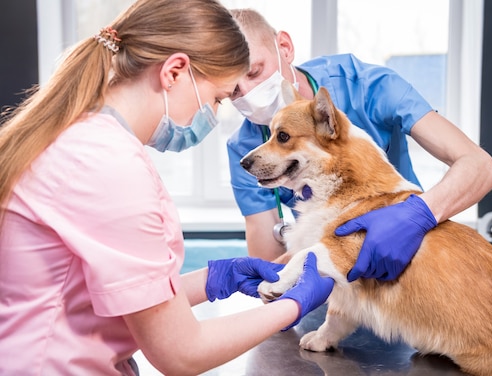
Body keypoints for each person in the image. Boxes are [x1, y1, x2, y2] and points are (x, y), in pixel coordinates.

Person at [0, 1, 333, 375]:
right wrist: (295, 304)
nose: (212, 113)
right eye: (218, 98)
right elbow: (182, 352)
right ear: (174, 72)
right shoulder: (108, 165)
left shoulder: (83, 140)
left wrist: (214, 279)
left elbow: (110, 293)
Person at [227, 9, 492, 281]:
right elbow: (268, 272)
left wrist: (415, 216)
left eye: (254, 71)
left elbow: (482, 167)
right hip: (334, 269)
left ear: (284, 47)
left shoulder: (367, 87)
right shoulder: (246, 150)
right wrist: (301, 266)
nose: (250, 94)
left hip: (412, 254)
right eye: (234, 91)